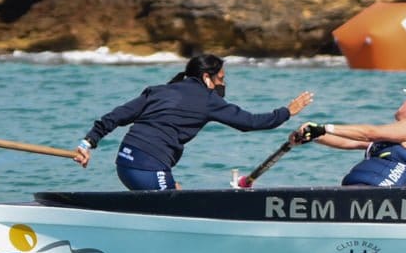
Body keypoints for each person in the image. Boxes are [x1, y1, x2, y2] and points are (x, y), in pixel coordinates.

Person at [72, 53, 315, 191]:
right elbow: (250, 122)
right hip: (148, 168)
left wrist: (87, 144)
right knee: (174, 209)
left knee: (176, 190)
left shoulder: (159, 90)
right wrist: (287, 112)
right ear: (207, 77)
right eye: (221, 78)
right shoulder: (208, 99)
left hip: (124, 164)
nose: (223, 84)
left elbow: (116, 116)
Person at [295, 86, 406, 187]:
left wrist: (325, 128)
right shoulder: (400, 135)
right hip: (363, 191)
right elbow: (350, 142)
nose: (403, 102)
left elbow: (369, 133)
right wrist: (314, 135)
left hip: (382, 195)